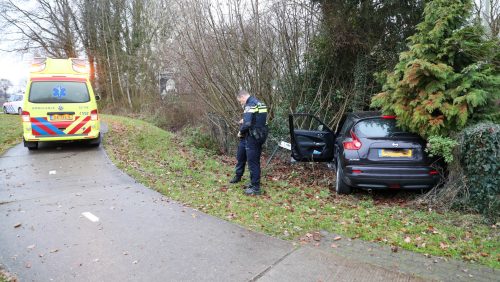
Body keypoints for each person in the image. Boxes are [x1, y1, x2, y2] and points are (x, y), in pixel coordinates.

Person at [235, 90, 268, 195]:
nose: (241, 103)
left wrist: (241, 132)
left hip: (253, 136)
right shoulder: (259, 103)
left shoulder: (249, 104)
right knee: (255, 161)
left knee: (252, 162)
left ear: (243, 97)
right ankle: (254, 182)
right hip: (261, 135)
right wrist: (244, 120)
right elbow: (260, 120)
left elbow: (248, 123)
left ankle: (255, 188)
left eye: (241, 101)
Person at [229, 119, 247, 184]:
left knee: (252, 162)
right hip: (243, 139)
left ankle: (253, 181)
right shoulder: (247, 111)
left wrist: (241, 131)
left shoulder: (257, 113)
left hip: (252, 139)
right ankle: (238, 176)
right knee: (240, 158)